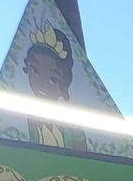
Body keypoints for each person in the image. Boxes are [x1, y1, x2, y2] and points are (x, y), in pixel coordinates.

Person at [22, 22, 87, 151]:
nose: (41, 83)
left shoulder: (71, 120)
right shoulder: (32, 119)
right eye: (35, 70)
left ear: (64, 84)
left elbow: (83, 155)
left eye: (53, 79)